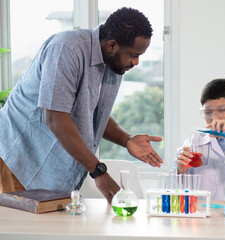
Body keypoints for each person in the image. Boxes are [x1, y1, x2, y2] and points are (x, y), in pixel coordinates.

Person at [0, 7, 163, 203]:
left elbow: (91, 114)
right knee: (20, 232)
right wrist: (99, 173)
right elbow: (55, 118)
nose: (136, 62)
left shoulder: (114, 64)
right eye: (133, 55)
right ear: (112, 45)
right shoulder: (66, 49)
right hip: (18, 161)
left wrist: (126, 139)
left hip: (52, 176)